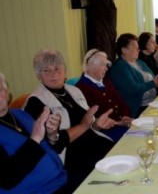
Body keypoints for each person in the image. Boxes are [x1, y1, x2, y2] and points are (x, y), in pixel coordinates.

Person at [24, 49, 115, 184]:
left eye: (57, 68)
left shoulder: (74, 90)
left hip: (95, 144)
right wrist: (84, 125)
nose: (54, 74)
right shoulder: (35, 102)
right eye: (46, 70)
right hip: (72, 159)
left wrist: (96, 125)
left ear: (64, 70)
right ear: (38, 76)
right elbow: (54, 144)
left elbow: (87, 123)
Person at [0, 72, 70, 194]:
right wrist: (35, 138)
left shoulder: (19, 114)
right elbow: (7, 178)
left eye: (1, 87)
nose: (0, 93)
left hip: (58, 181)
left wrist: (52, 134)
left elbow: (51, 145)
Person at [75, 49, 133, 141]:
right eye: (103, 65)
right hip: (103, 133)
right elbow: (89, 121)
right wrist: (118, 123)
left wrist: (125, 116)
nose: (106, 68)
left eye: (106, 65)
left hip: (121, 125)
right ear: (91, 66)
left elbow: (121, 102)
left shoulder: (106, 81)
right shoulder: (80, 89)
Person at [109, 33, 158, 118]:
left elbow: (153, 79)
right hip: (137, 109)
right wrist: (153, 84)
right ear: (124, 50)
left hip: (151, 102)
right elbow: (133, 89)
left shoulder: (139, 62)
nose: (138, 50)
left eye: (138, 47)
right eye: (135, 48)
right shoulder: (120, 67)